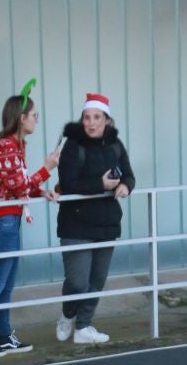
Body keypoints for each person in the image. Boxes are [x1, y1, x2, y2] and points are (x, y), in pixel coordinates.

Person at [0, 85, 59, 359]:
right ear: (21, 118)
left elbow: (15, 186)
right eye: (34, 114)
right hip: (3, 222)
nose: (36, 118)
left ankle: (5, 335)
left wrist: (41, 190)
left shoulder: (14, 146)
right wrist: (47, 169)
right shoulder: (7, 147)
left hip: (10, 219)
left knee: (6, 284)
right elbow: (19, 184)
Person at [53, 91, 136, 347]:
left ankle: (84, 326)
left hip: (106, 224)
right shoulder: (73, 146)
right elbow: (67, 183)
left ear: (107, 120)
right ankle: (68, 314)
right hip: (76, 224)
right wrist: (100, 184)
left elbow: (130, 175)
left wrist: (125, 186)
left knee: (96, 281)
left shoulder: (115, 145)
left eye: (96, 117)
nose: (91, 122)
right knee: (78, 281)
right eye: (87, 117)